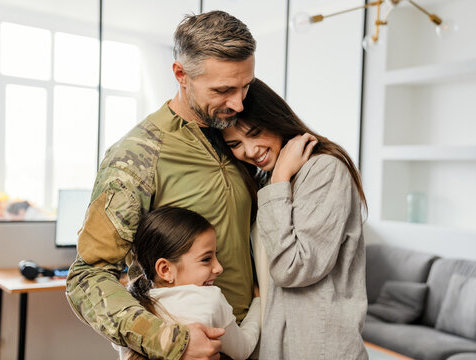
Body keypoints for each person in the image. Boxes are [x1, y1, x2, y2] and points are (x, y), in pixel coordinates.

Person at [66, 11, 257, 360]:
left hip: (244, 342)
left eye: (245, 86)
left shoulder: (238, 137)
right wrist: (170, 341)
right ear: (181, 75)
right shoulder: (136, 155)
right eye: (223, 90)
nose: (238, 103)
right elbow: (87, 277)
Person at [221, 79, 369, 360]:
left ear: (275, 119)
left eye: (255, 133)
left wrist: (279, 181)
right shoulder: (266, 178)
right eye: (235, 144)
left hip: (320, 348)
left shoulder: (324, 169)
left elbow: (294, 268)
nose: (250, 150)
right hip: (281, 343)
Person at [120, 206, 260, 360]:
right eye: (206, 259)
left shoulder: (130, 312)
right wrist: (258, 302)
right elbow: (243, 349)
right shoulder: (208, 300)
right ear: (165, 269)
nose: (219, 268)